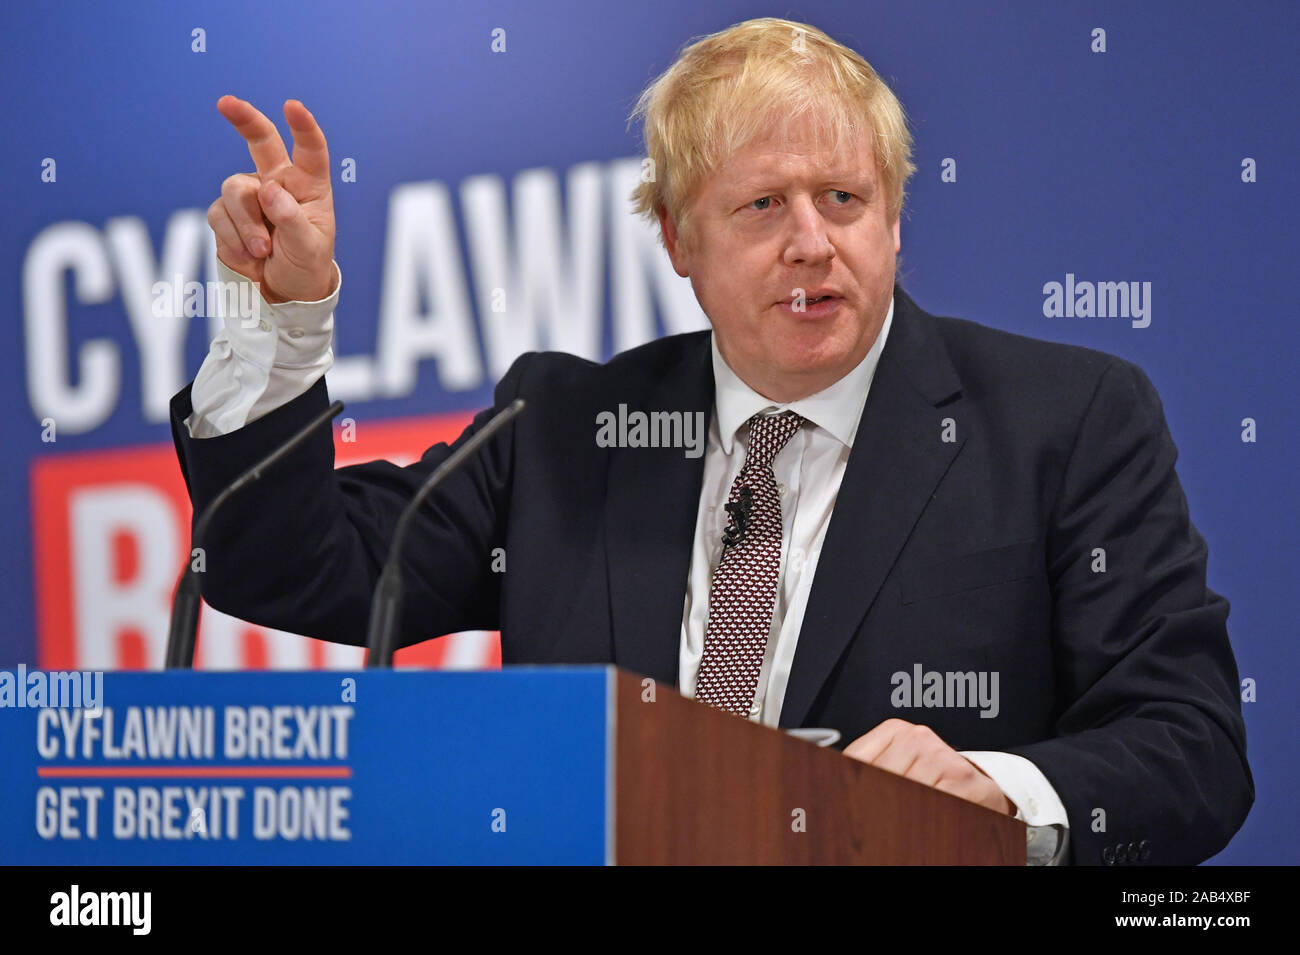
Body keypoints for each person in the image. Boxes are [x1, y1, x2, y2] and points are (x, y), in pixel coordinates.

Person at [171, 17, 1252, 865]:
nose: (811, 243)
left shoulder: (1063, 419)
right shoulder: (563, 430)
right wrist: (287, 314)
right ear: (679, 238)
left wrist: (1001, 793)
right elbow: (297, 568)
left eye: (844, 198)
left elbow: (1191, 747)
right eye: (762, 206)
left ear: (894, 218)